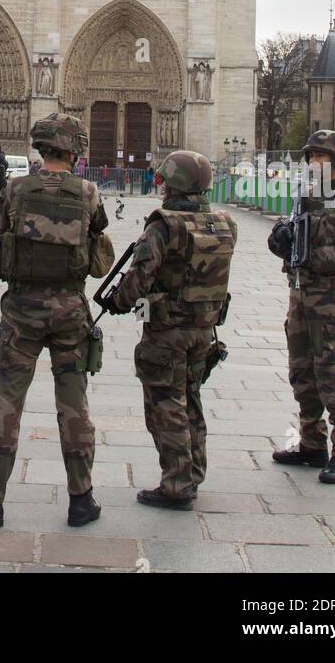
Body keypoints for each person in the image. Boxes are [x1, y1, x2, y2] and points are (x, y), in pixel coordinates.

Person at [0, 114, 114, 529]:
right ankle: (81, 500)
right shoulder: (87, 192)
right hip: (70, 310)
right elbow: (98, 235)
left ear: (42, 148)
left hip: (21, 312)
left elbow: (3, 230)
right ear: (73, 150)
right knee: (74, 407)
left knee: (6, 405)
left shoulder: (16, 189)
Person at [100, 151, 237, 509]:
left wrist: (118, 302)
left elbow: (140, 276)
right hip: (204, 331)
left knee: (165, 404)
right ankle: (193, 474)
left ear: (172, 184)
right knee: (191, 399)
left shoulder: (163, 225)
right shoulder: (224, 223)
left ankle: (176, 484)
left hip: (167, 330)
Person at [268, 130, 335, 485]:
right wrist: (281, 238)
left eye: (322, 158)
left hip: (329, 302)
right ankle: (312, 443)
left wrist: (303, 253)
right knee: (302, 374)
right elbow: (293, 236)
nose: (314, 163)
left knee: (332, 375)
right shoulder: (306, 198)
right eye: (311, 157)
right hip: (299, 296)